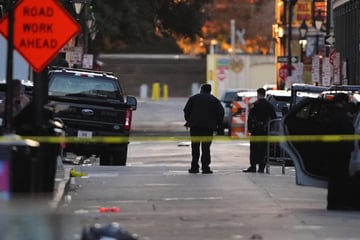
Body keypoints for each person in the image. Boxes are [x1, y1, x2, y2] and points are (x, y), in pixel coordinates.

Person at [183, 84, 224, 174]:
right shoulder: (214, 100)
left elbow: (186, 110)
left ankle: (194, 167)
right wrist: (218, 124)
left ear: (201, 90)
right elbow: (221, 112)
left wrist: (189, 120)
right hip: (208, 127)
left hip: (195, 127)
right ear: (210, 91)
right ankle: (205, 167)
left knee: (195, 147)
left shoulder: (193, 98)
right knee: (206, 148)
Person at [326, 93, 355, 210]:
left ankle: (332, 203)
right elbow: (349, 131)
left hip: (333, 151)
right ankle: (339, 203)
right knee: (341, 177)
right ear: (343, 102)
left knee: (333, 178)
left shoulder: (330, 114)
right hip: (342, 152)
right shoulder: (342, 117)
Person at [243, 87, 276, 173]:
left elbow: (250, 118)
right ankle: (262, 167)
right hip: (265, 130)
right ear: (264, 94)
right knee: (263, 148)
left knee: (254, 148)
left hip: (256, 129)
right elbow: (274, 118)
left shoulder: (254, 105)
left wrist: (250, 128)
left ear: (258, 94)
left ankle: (253, 166)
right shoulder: (269, 106)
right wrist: (270, 128)